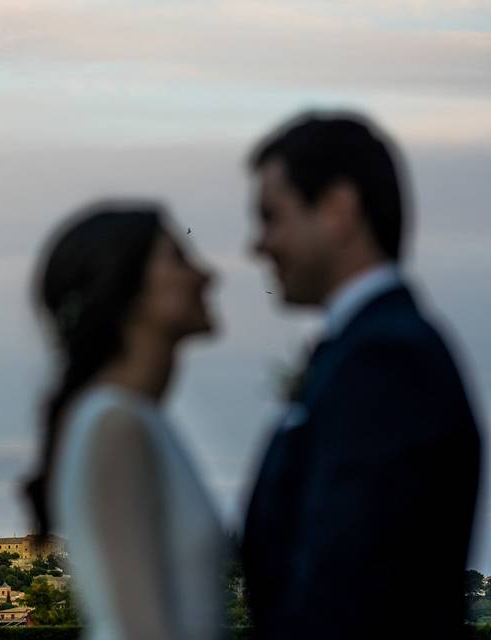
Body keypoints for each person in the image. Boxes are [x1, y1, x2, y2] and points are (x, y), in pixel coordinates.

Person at [242, 111, 481, 639]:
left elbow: (346, 590)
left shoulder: (386, 360)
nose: (257, 245)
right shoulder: (368, 349)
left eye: (271, 217)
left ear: (338, 209)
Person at [24, 200, 224, 640]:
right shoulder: (118, 424)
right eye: (179, 258)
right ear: (127, 289)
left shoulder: (133, 420)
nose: (208, 275)